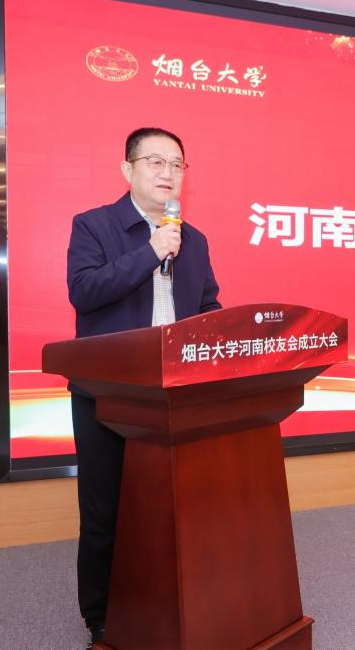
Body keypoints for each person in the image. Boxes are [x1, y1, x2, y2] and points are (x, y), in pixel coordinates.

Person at [66, 127, 221, 648]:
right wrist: (151, 250)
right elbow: (84, 292)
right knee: (106, 510)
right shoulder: (94, 225)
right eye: (155, 161)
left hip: (174, 393)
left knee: (169, 506)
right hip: (108, 392)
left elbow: (207, 307)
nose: (167, 172)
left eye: (177, 164)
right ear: (127, 169)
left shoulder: (194, 239)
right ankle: (101, 616)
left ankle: (165, 599)